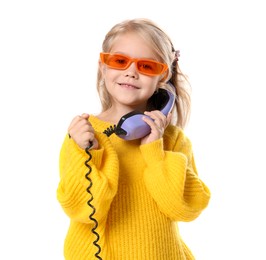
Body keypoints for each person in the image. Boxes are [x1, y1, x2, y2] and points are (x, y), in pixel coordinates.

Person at [57, 18, 211, 260]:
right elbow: (82, 210)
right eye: (120, 61)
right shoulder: (83, 135)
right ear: (103, 67)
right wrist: (91, 152)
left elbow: (185, 208)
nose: (131, 72)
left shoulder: (173, 139)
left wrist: (154, 152)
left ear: (163, 77)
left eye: (147, 66)